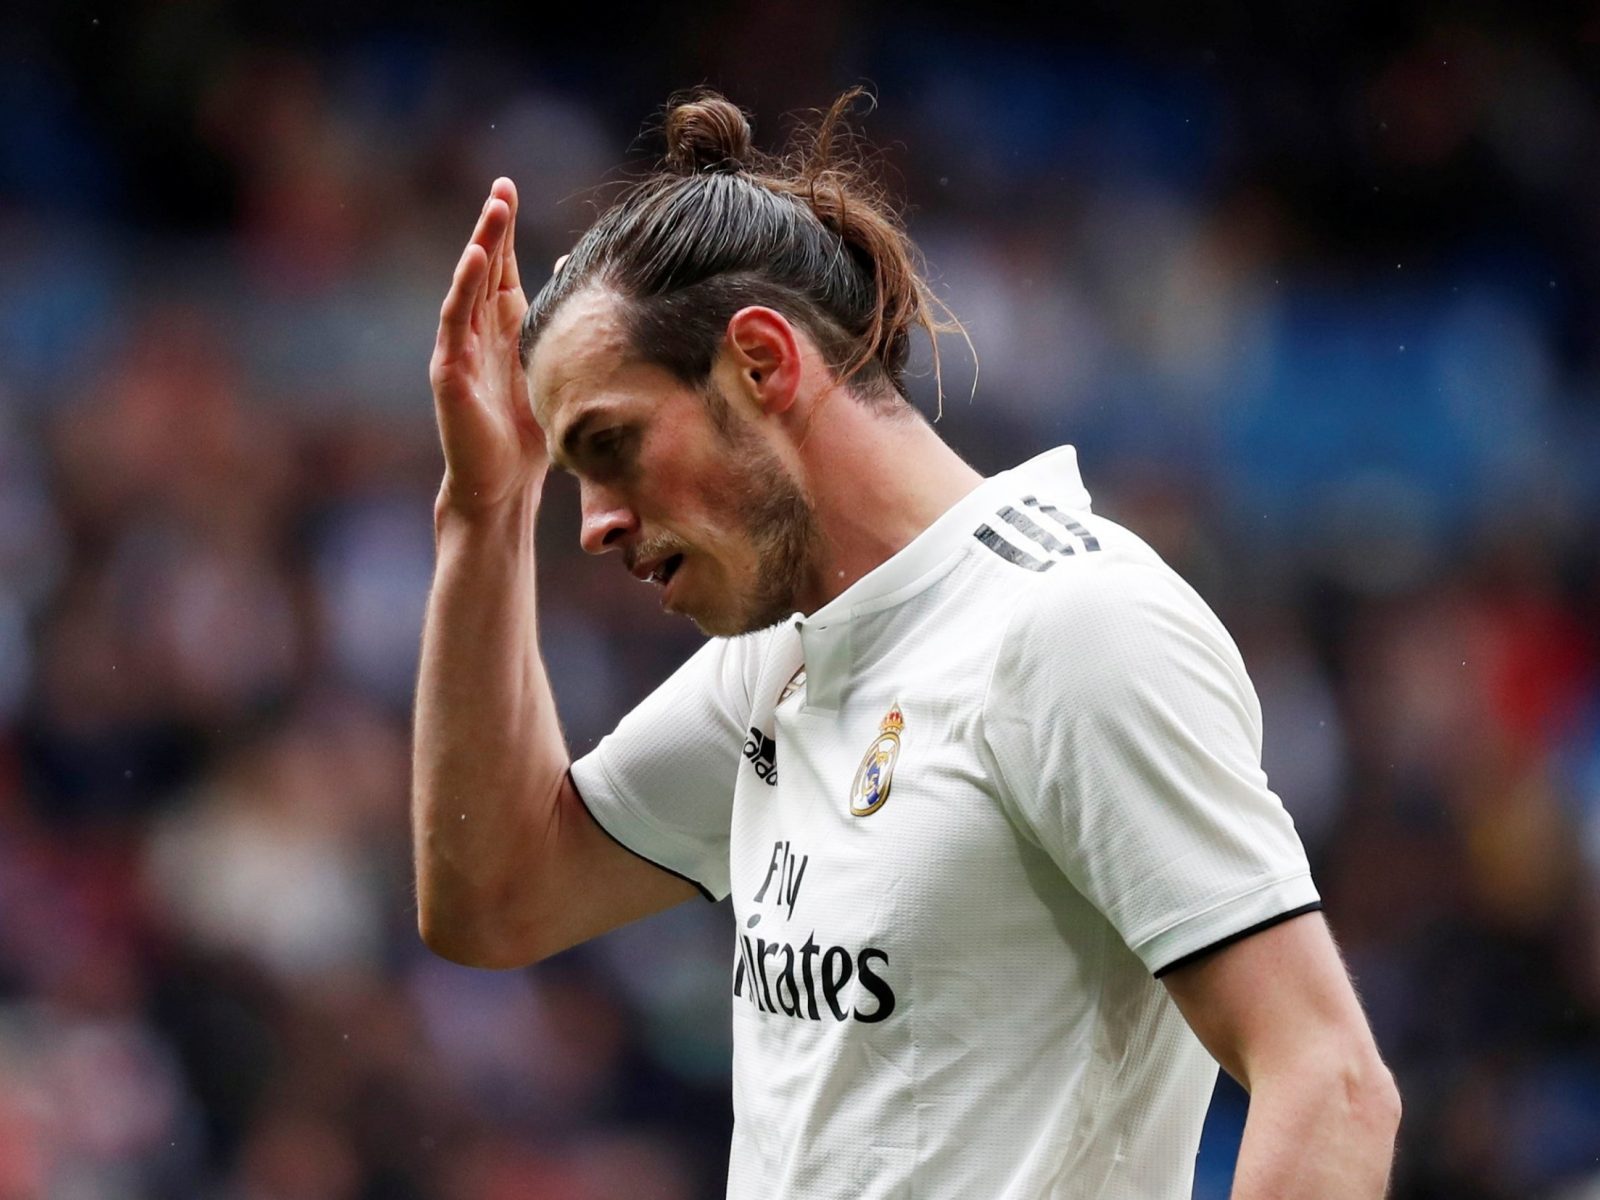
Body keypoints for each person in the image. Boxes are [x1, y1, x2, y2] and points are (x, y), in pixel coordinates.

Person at [414, 90, 1401, 1198]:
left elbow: (1330, 1084)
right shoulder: (784, 656)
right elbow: (498, 898)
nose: (593, 524)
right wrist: (485, 510)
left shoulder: (1069, 626)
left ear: (760, 362)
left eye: (612, 444)